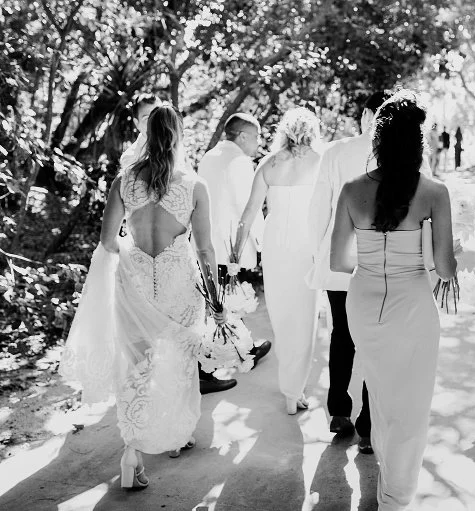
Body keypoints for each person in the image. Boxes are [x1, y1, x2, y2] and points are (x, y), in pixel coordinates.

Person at [59, 105, 224, 489]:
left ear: (146, 134)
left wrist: (134, 257)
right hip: (179, 285)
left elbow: (106, 242)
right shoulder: (195, 186)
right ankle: (176, 436)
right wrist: (215, 299)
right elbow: (205, 251)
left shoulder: (124, 181)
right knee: (179, 363)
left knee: (136, 367)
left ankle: (131, 452)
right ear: (180, 135)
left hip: (133, 284)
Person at [330, 90, 457, 510]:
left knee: (381, 396)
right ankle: (396, 495)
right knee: (412, 404)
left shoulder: (351, 191)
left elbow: (338, 261)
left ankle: (388, 478)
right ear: (418, 143)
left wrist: (373, 259)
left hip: (364, 303)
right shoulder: (434, 192)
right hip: (413, 304)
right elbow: (445, 267)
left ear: (378, 141)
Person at [308, 91, 390, 453]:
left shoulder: (336, 151)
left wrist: (317, 251)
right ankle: (369, 427)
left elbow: (318, 210)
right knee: (377, 339)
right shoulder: (407, 155)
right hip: (382, 261)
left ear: (368, 115)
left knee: (343, 332)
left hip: (339, 258)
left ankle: (339, 410)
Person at [236, 108, 322, 415]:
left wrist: (236, 251)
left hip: (275, 247)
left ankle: (290, 390)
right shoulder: (320, 162)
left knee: (282, 316)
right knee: (305, 316)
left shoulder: (268, 164)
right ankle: (294, 391)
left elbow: (248, 215)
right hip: (306, 246)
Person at [198, 113, 272, 391]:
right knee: (228, 301)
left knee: (220, 301)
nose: (258, 143)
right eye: (256, 136)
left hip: (207, 243)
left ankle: (244, 349)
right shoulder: (240, 162)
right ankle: (207, 368)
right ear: (242, 136)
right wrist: (262, 243)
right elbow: (248, 209)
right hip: (231, 245)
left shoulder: (209, 157)